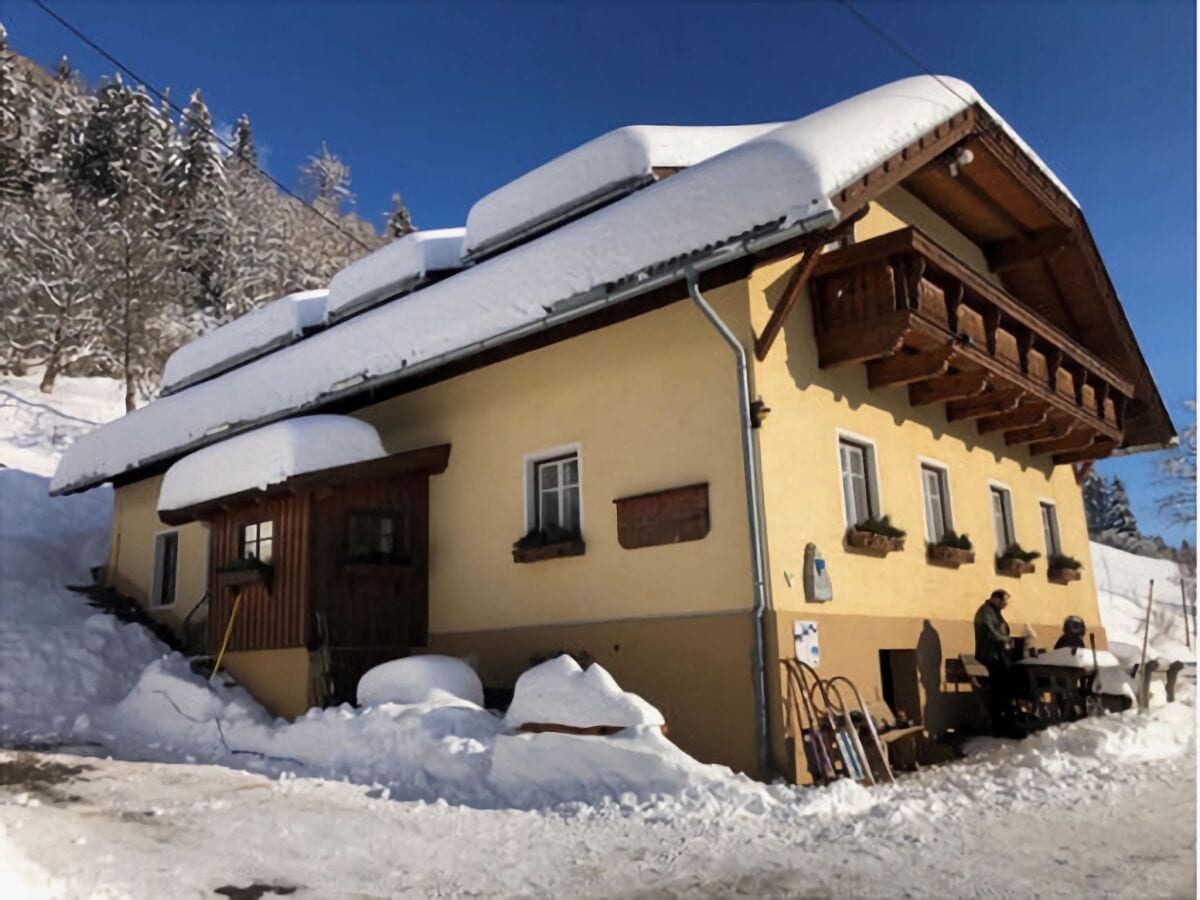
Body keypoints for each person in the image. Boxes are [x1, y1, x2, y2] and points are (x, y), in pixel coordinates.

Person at [974, 589, 1016, 736]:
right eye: (1004, 601)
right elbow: (991, 631)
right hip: (989, 655)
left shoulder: (994, 612)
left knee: (1008, 681)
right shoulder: (986, 612)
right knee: (999, 687)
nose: (1006, 604)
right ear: (995, 599)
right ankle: (999, 723)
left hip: (998, 654)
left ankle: (1009, 718)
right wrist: (1005, 639)